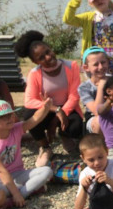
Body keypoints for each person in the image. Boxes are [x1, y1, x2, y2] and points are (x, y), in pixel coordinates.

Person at [15, 30, 84, 167]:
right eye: (41, 57)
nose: (48, 57)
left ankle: (64, 135)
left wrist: (58, 116)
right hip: (48, 109)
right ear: (35, 61)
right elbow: (29, 100)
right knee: (29, 116)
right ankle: (45, 147)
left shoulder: (71, 66)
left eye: (47, 52)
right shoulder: (34, 74)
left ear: (51, 48)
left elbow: (74, 96)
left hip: (68, 109)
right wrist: (55, 109)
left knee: (76, 126)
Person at [0, 100, 53, 208]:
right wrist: (15, 193)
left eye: (10, 115)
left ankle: (16, 197)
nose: (10, 118)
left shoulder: (16, 129)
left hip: (18, 173)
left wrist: (45, 108)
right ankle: (26, 191)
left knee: (47, 171)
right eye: (4, 117)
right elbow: (1, 171)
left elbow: (34, 120)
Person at [78, 47, 109, 135]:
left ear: (108, 62)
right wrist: (101, 87)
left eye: (103, 62)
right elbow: (96, 111)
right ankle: (101, 145)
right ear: (86, 67)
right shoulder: (84, 87)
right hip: (94, 117)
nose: (101, 67)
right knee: (100, 121)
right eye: (96, 64)